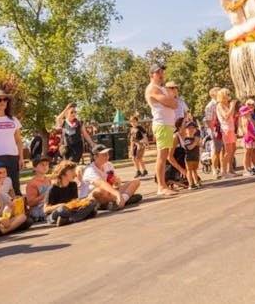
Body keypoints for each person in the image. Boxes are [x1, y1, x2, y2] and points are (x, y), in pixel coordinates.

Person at [146, 64, 180, 196]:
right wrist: (170, 101)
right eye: (157, 72)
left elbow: (174, 103)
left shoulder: (161, 88)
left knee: (164, 155)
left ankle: (164, 184)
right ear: (151, 75)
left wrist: (171, 101)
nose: (161, 74)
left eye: (162, 72)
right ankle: (161, 186)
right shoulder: (152, 89)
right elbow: (172, 103)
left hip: (167, 124)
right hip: (161, 124)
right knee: (162, 156)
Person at [80, 144, 142, 210]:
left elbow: (116, 184)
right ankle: (122, 199)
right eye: (104, 154)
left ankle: (122, 200)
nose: (107, 156)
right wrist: (117, 193)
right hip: (91, 197)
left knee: (136, 181)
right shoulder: (90, 170)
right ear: (95, 157)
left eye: (107, 154)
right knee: (98, 191)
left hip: (109, 193)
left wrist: (117, 182)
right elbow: (101, 184)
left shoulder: (109, 165)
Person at [43, 160, 97, 226]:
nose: (75, 174)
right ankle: (78, 217)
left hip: (71, 210)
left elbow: (74, 201)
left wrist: (81, 202)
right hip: (56, 213)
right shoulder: (53, 188)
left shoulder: (73, 185)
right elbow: (46, 209)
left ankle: (68, 219)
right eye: (72, 171)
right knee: (62, 210)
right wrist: (61, 205)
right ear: (63, 173)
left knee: (92, 201)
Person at [215, 88, 238, 178]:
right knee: (227, 151)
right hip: (226, 129)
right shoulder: (219, 105)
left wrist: (231, 106)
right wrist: (232, 106)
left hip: (231, 129)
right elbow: (226, 116)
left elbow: (231, 115)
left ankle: (229, 169)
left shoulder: (226, 105)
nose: (229, 96)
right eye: (227, 94)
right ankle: (223, 172)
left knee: (232, 150)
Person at [24, 157, 53, 222]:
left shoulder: (48, 180)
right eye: (42, 164)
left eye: (47, 164)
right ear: (34, 168)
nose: (45, 166)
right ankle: (51, 218)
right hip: (36, 209)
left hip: (47, 205)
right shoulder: (32, 183)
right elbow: (30, 203)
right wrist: (44, 195)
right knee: (52, 211)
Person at [179, 121, 203, 188]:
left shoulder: (195, 139)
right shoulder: (186, 139)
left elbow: (200, 145)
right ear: (186, 130)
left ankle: (196, 182)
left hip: (195, 157)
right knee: (189, 171)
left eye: (193, 128)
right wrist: (196, 142)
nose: (191, 130)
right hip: (189, 157)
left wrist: (198, 143)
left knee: (195, 170)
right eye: (189, 128)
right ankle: (191, 184)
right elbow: (189, 147)